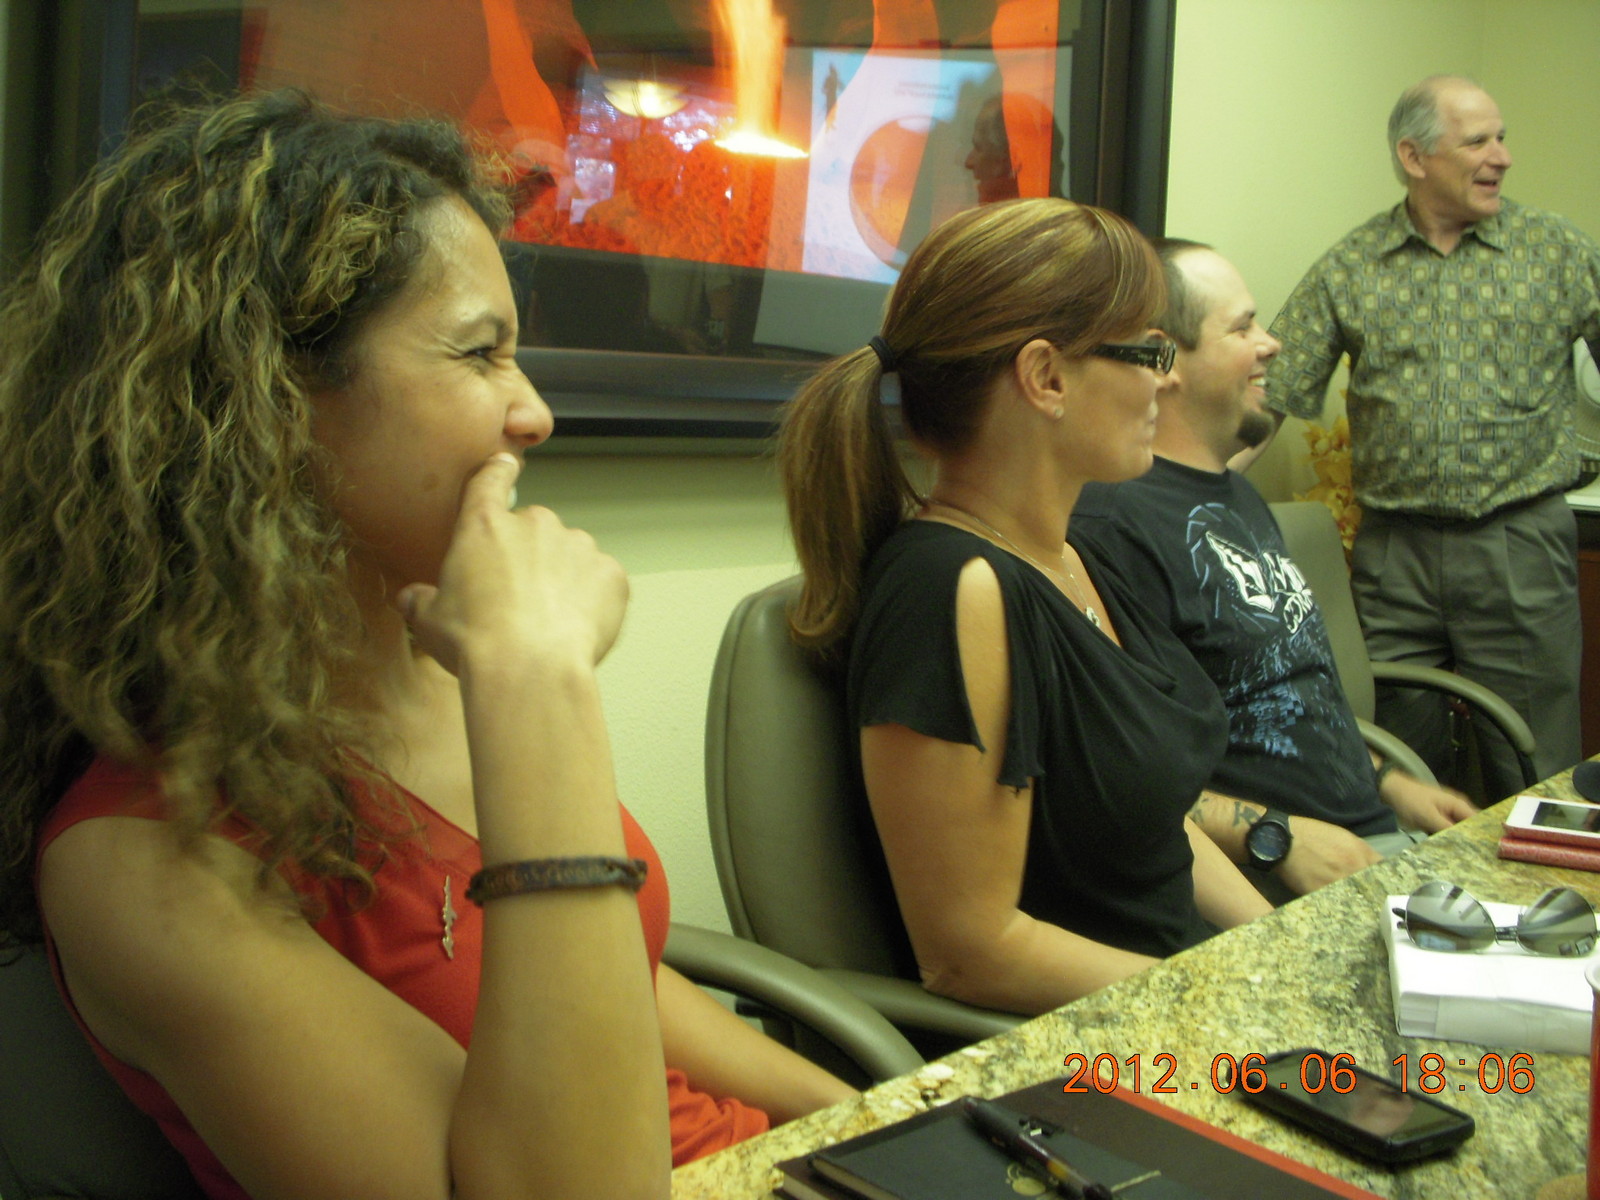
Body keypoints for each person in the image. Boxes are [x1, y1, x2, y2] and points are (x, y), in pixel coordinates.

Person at [0, 91, 851, 1200]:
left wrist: (897, 1114)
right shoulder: (141, 860)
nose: (533, 413)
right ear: (272, 403)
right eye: (480, 354)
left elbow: (623, 983)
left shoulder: (438, 671)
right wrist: (538, 679)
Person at [778, 198, 1272, 1018]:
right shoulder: (950, 590)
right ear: (1046, 378)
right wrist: (1222, 999)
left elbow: (1148, 820)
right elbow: (970, 953)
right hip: (1089, 1044)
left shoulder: (1076, 556)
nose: (1167, 378)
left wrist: (1278, 947)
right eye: (1149, 351)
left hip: (1177, 993)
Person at [1072, 239, 1476, 901]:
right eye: (1242, 328)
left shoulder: (1236, 493)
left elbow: (1286, 691)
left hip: (1373, 840)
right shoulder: (1114, 525)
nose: (1272, 344)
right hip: (1270, 878)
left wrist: (1387, 782)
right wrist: (1278, 836)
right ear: (1163, 361)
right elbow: (1121, 774)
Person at [1269, 75, 1600, 801]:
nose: (1502, 156)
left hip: (1518, 544)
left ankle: (1538, 878)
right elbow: (1268, 397)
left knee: (1534, 768)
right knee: (1392, 762)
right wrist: (1175, 485)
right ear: (1414, 157)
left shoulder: (1557, 252)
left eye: (1501, 137)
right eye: (1478, 141)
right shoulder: (1352, 265)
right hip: (1394, 554)